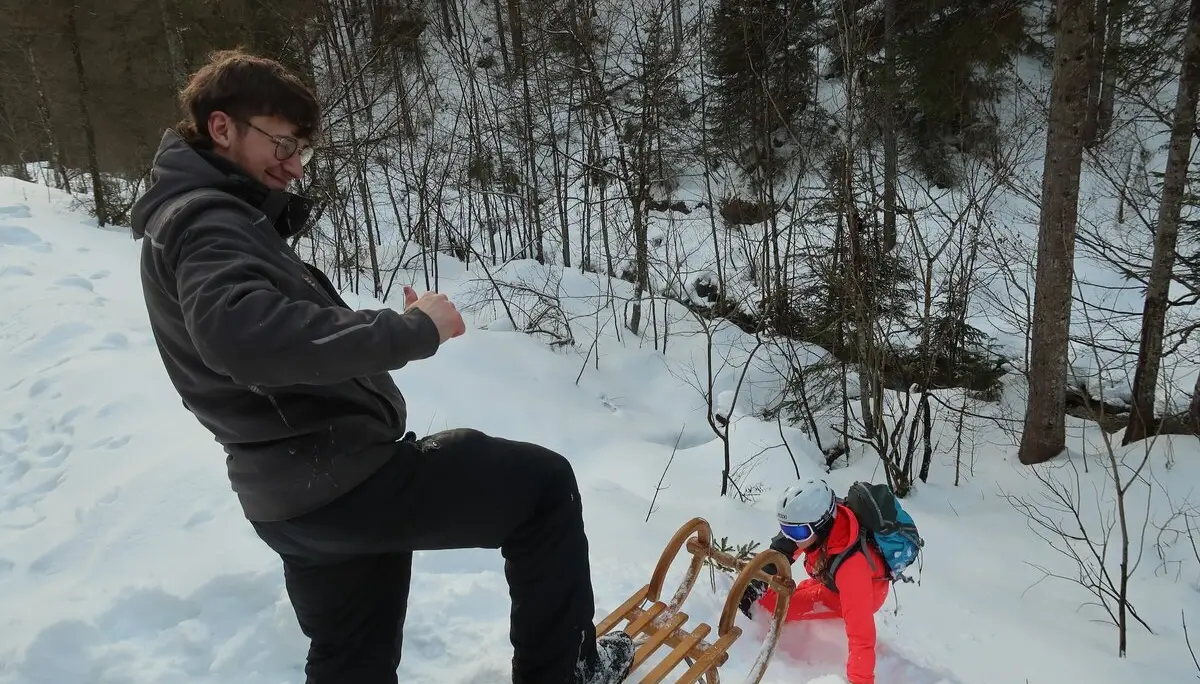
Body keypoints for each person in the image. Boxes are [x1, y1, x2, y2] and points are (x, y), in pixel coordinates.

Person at [129, 48, 635, 684]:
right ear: (221, 127)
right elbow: (242, 338)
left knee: (352, 660)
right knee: (542, 488)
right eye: (280, 142)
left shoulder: (199, 218)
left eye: (302, 150)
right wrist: (412, 329)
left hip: (292, 498)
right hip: (342, 479)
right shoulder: (209, 221)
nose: (292, 165)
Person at [738, 479, 890, 684]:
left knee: (772, 606)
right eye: (785, 528)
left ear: (822, 525)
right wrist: (758, 582)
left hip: (859, 593)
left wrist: (860, 681)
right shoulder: (818, 529)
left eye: (798, 532)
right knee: (774, 596)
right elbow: (782, 549)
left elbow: (862, 637)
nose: (793, 537)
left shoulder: (851, 567)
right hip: (831, 579)